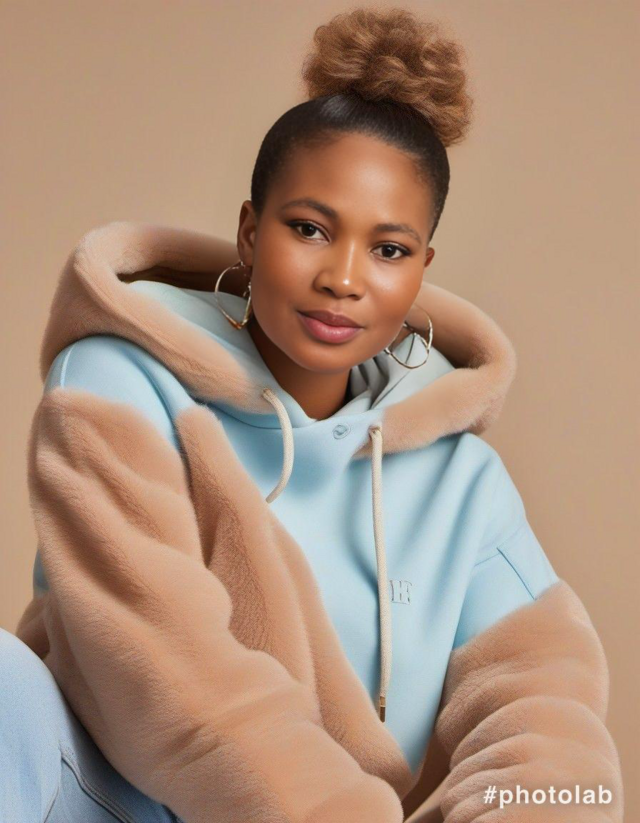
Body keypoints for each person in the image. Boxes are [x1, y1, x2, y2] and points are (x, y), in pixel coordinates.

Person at [3, 7, 623, 823]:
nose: (344, 277)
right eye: (309, 229)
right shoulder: (117, 384)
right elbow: (156, 666)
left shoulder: (460, 478)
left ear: (422, 268)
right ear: (250, 233)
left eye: (389, 249)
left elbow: (546, 705)